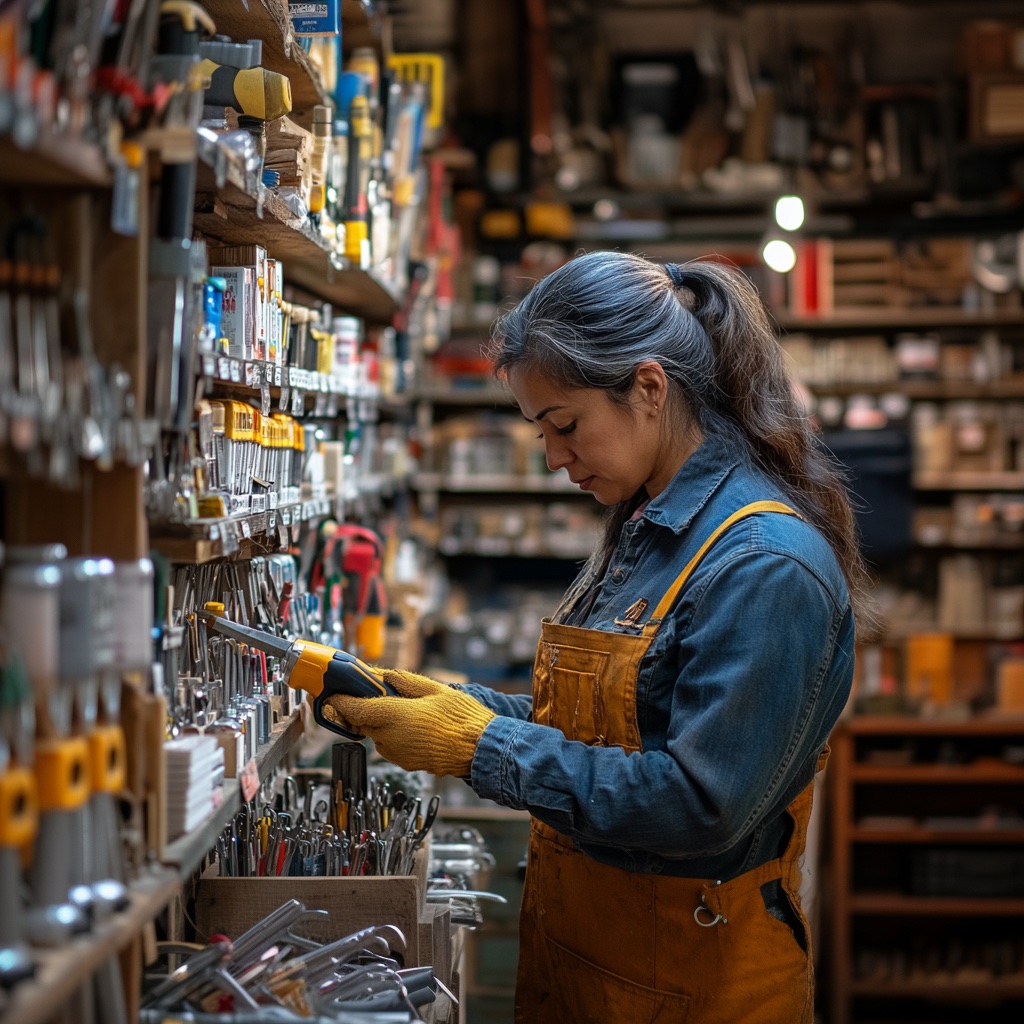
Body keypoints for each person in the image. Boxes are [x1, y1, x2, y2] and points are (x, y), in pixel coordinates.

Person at [324, 250, 871, 1024]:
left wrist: (480, 747)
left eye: (565, 425)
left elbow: (696, 804)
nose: (553, 458)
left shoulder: (766, 567)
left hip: (696, 991)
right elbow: (615, 726)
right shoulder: (646, 525)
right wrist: (463, 705)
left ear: (649, 387)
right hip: (594, 970)